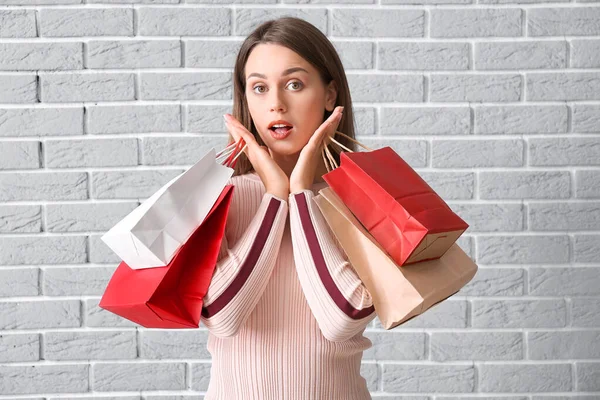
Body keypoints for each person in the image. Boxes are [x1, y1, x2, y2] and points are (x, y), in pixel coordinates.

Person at [200, 16, 376, 400]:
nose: (276, 104)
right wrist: (274, 199)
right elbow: (221, 316)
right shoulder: (221, 200)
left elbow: (343, 317)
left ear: (330, 96)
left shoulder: (362, 200)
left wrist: (300, 195)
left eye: (294, 84)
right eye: (259, 88)